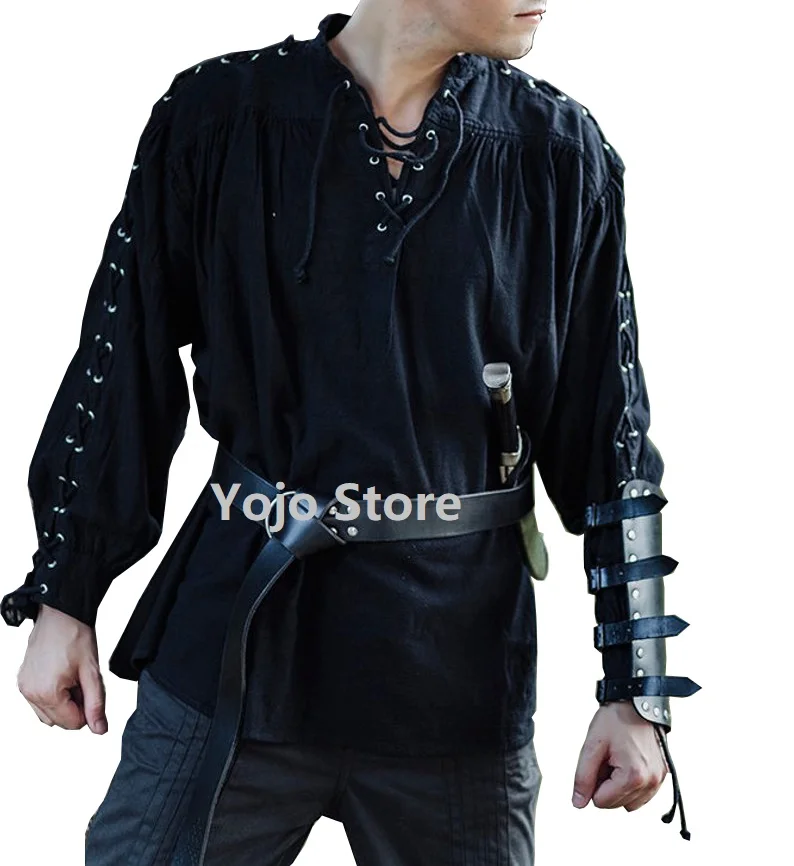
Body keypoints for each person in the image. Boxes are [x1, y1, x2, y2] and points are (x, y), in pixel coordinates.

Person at [2, 3, 700, 864]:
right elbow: (122, 361)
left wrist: (635, 692)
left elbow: (609, 437)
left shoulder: (556, 151)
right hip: (238, 654)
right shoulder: (219, 117)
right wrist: (65, 595)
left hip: (454, 677)